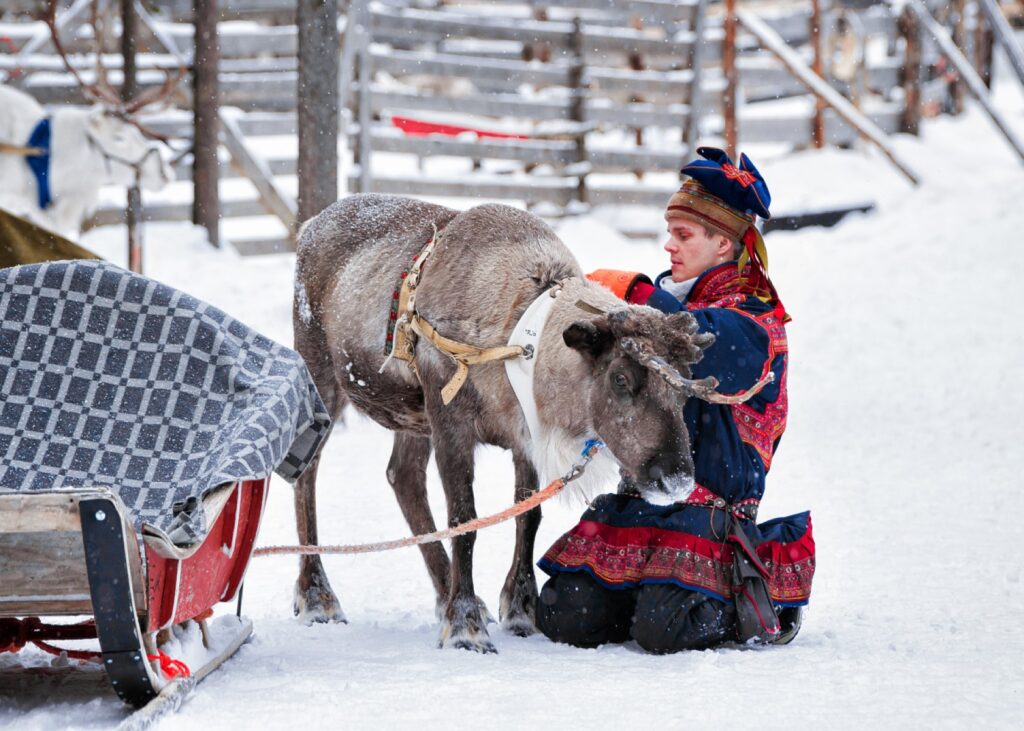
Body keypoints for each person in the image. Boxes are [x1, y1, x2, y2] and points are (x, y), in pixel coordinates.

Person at [535, 147, 815, 653]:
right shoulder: (662, 310)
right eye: (669, 232)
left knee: (666, 631)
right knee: (564, 616)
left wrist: (634, 293)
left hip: (710, 517)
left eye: (683, 235)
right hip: (645, 498)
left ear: (724, 244)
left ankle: (763, 595)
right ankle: (642, 592)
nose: (669, 246)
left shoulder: (754, 323)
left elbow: (693, 338)